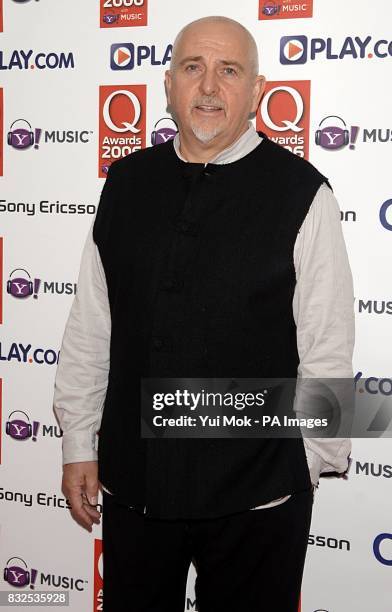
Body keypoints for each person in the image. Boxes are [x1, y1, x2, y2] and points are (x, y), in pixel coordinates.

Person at [53, 15, 354, 612]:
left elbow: (329, 348)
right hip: (136, 490)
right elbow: (92, 326)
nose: (210, 87)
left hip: (259, 502)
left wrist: (301, 467)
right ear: (168, 86)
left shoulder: (304, 194)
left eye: (229, 70)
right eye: (193, 68)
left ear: (257, 91)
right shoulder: (127, 184)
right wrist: (78, 446)